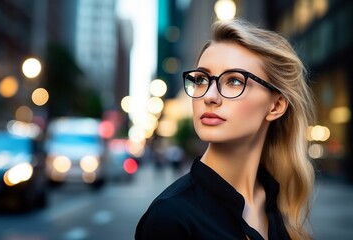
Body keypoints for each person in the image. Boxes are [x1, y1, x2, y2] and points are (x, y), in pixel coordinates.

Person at [135, 19, 316, 240]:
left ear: (276, 106)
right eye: (201, 79)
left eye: (234, 81)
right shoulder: (170, 218)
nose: (209, 96)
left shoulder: (277, 204)